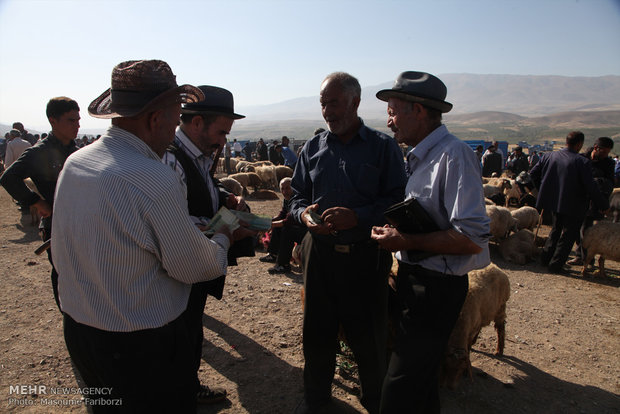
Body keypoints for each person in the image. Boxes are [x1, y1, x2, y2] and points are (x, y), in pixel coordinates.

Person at [51, 60, 234, 413]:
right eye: (175, 117)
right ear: (155, 119)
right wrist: (222, 236)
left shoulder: (76, 162)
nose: (175, 129)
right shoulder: (152, 176)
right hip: (140, 345)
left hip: (81, 331)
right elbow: (194, 267)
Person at [371, 71, 490, 413]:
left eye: (393, 111)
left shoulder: (454, 156)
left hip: (436, 288)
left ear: (419, 110)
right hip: (416, 280)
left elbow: (471, 238)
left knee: (399, 386)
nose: (389, 121)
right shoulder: (423, 157)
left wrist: (403, 238)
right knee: (420, 382)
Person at [290, 72, 406, 414]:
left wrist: (359, 216)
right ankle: (316, 402)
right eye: (323, 104)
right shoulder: (312, 148)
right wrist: (305, 218)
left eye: (334, 103)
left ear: (355, 102)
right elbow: (297, 198)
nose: (327, 111)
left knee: (368, 337)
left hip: (365, 258)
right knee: (317, 334)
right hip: (320, 256)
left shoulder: (383, 148)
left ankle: (374, 403)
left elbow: (398, 202)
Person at [162, 84, 255, 404]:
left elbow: (201, 183)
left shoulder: (197, 153)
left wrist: (225, 196)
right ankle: (180, 394)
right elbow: (171, 220)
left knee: (191, 329)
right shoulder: (169, 159)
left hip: (196, 263)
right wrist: (223, 232)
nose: (223, 141)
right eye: (221, 132)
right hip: (180, 267)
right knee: (180, 332)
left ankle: (187, 386)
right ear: (197, 122)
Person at [0, 97, 80, 310]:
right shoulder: (38, 152)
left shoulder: (79, 151)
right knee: (64, 278)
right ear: (53, 121)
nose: (77, 125)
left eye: (78, 120)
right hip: (56, 227)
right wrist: (36, 201)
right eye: (71, 120)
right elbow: (8, 178)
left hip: (82, 224)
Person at [529, 131, 609, 274]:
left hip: (553, 202)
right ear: (579, 144)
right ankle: (556, 265)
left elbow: (533, 174)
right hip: (575, 205)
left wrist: (543, 190)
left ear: (566, 141)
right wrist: (603, 205)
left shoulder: (549, 156)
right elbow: (591, 187)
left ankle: (545, 259)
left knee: (555, 230)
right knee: (568, 235)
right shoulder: (581, 161)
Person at [568, 137, 615, 265]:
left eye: (607, 152)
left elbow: (610, 183)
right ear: (596, 148)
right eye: (604, 152)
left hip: (595, 202)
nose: (606, 155)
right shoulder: (581, 159)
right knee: (577, 229)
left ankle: (587, 258)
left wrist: (597, 184)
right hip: (578, 200)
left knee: (587, 230)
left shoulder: (608, 164)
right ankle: (581, 256)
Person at [259, 177, 307, 273]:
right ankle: (273, 254)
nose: (285, 191)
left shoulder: (298, 199)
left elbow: (288, 220)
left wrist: (271, 224)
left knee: (286, 230)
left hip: (306, 232)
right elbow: (282, 215)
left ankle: (283, 264)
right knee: (279, 227)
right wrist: (266, 221)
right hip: (296, 227)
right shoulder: (286, 200)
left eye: (288, 188)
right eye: (282, 189)